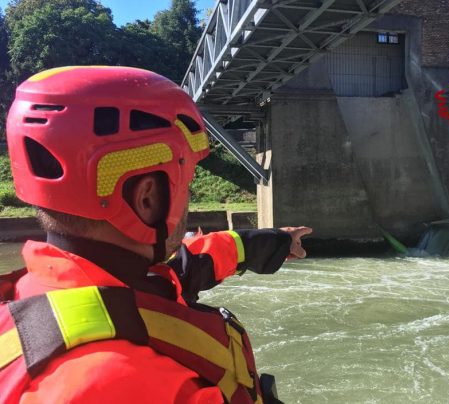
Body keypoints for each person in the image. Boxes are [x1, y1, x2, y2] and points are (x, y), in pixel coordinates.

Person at [0, 66, 312, 403]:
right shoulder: (123, 385)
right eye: (187, 183)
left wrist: (270, 244)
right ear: (147, 198)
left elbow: (186, 269)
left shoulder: (40, 292)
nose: (187, 196)